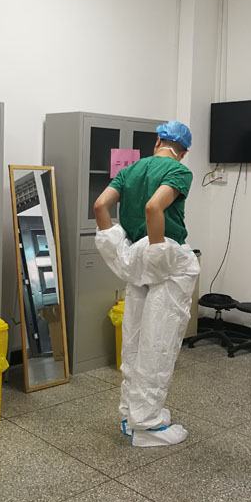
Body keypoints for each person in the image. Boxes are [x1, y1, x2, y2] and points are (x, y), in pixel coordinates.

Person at [93, 121, 200, 447]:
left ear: (157, 141)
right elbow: (155, 206)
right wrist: (157, 252)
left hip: (137, 261)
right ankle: (148, 426)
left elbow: (100, 206)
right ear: (183, 151)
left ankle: (130, 417)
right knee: (159, 344)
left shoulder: (131, 170)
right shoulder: (179, 171)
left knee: (135, 342)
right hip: (167, 263)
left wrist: (120, 250)